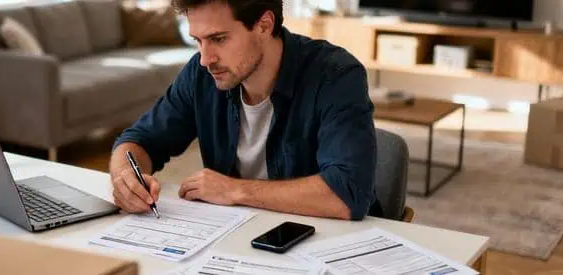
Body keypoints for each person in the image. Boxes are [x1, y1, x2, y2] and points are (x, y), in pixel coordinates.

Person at [108, 0, 380, 220]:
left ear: (264, 24)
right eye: (198, 41)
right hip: (236, 239)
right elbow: (138, 140)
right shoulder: (201, 75)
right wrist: (125, 179)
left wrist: (235, 190)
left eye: (218, 39)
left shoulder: (336, 75)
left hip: (323, 243)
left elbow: (347, 193)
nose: (205, 59)